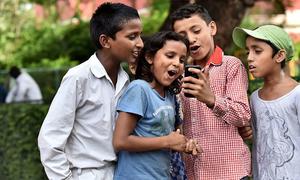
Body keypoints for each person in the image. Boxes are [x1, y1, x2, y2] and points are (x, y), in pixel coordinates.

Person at [37, 3, 143, 180]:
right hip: (86, 173)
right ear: (105, 41)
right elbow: (50, 139)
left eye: (139, 35)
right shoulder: (78, 78)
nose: (140, 43)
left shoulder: (127, 81)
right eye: (132, 37)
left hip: (122, 173)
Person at [170, 3, 251, 180]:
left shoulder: (231, 65)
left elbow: (243, 115)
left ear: (212, 28)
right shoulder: (176, 74)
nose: (191, 39)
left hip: (231, 172)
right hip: (193, 173)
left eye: (196, 30)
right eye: (182, 36)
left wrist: (211, 99)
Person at [113, 31, 201, 180]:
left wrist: (183, 144)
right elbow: (120, 141)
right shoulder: (140, 89)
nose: (177, 63)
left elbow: (165, 137)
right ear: (149, 57)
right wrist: (167, 142)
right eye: (170, 55)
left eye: (181, 59)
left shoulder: (170, 97)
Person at [233, 24, 300, 179]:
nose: (249, 57)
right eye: (248, 51)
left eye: (257, 51)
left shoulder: (297, 94)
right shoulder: (254, 98)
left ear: (279, 55)